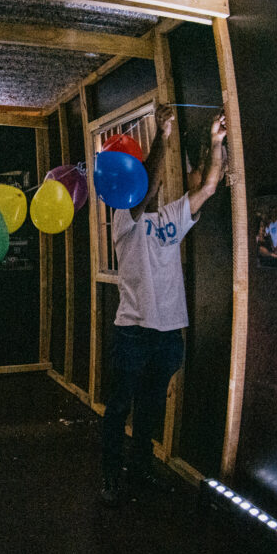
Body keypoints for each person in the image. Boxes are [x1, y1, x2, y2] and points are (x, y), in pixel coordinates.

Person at [100, 104, 226, 505]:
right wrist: (162, 134)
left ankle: (139, 470)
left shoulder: (171, 215)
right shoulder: (124, 217)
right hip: (133, 332)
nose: (147, 182)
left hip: (169, 332)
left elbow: (208, 186)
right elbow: (149, 186)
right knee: (119, 408)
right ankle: (110, 479)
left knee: (151, 411)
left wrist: (215, 142)